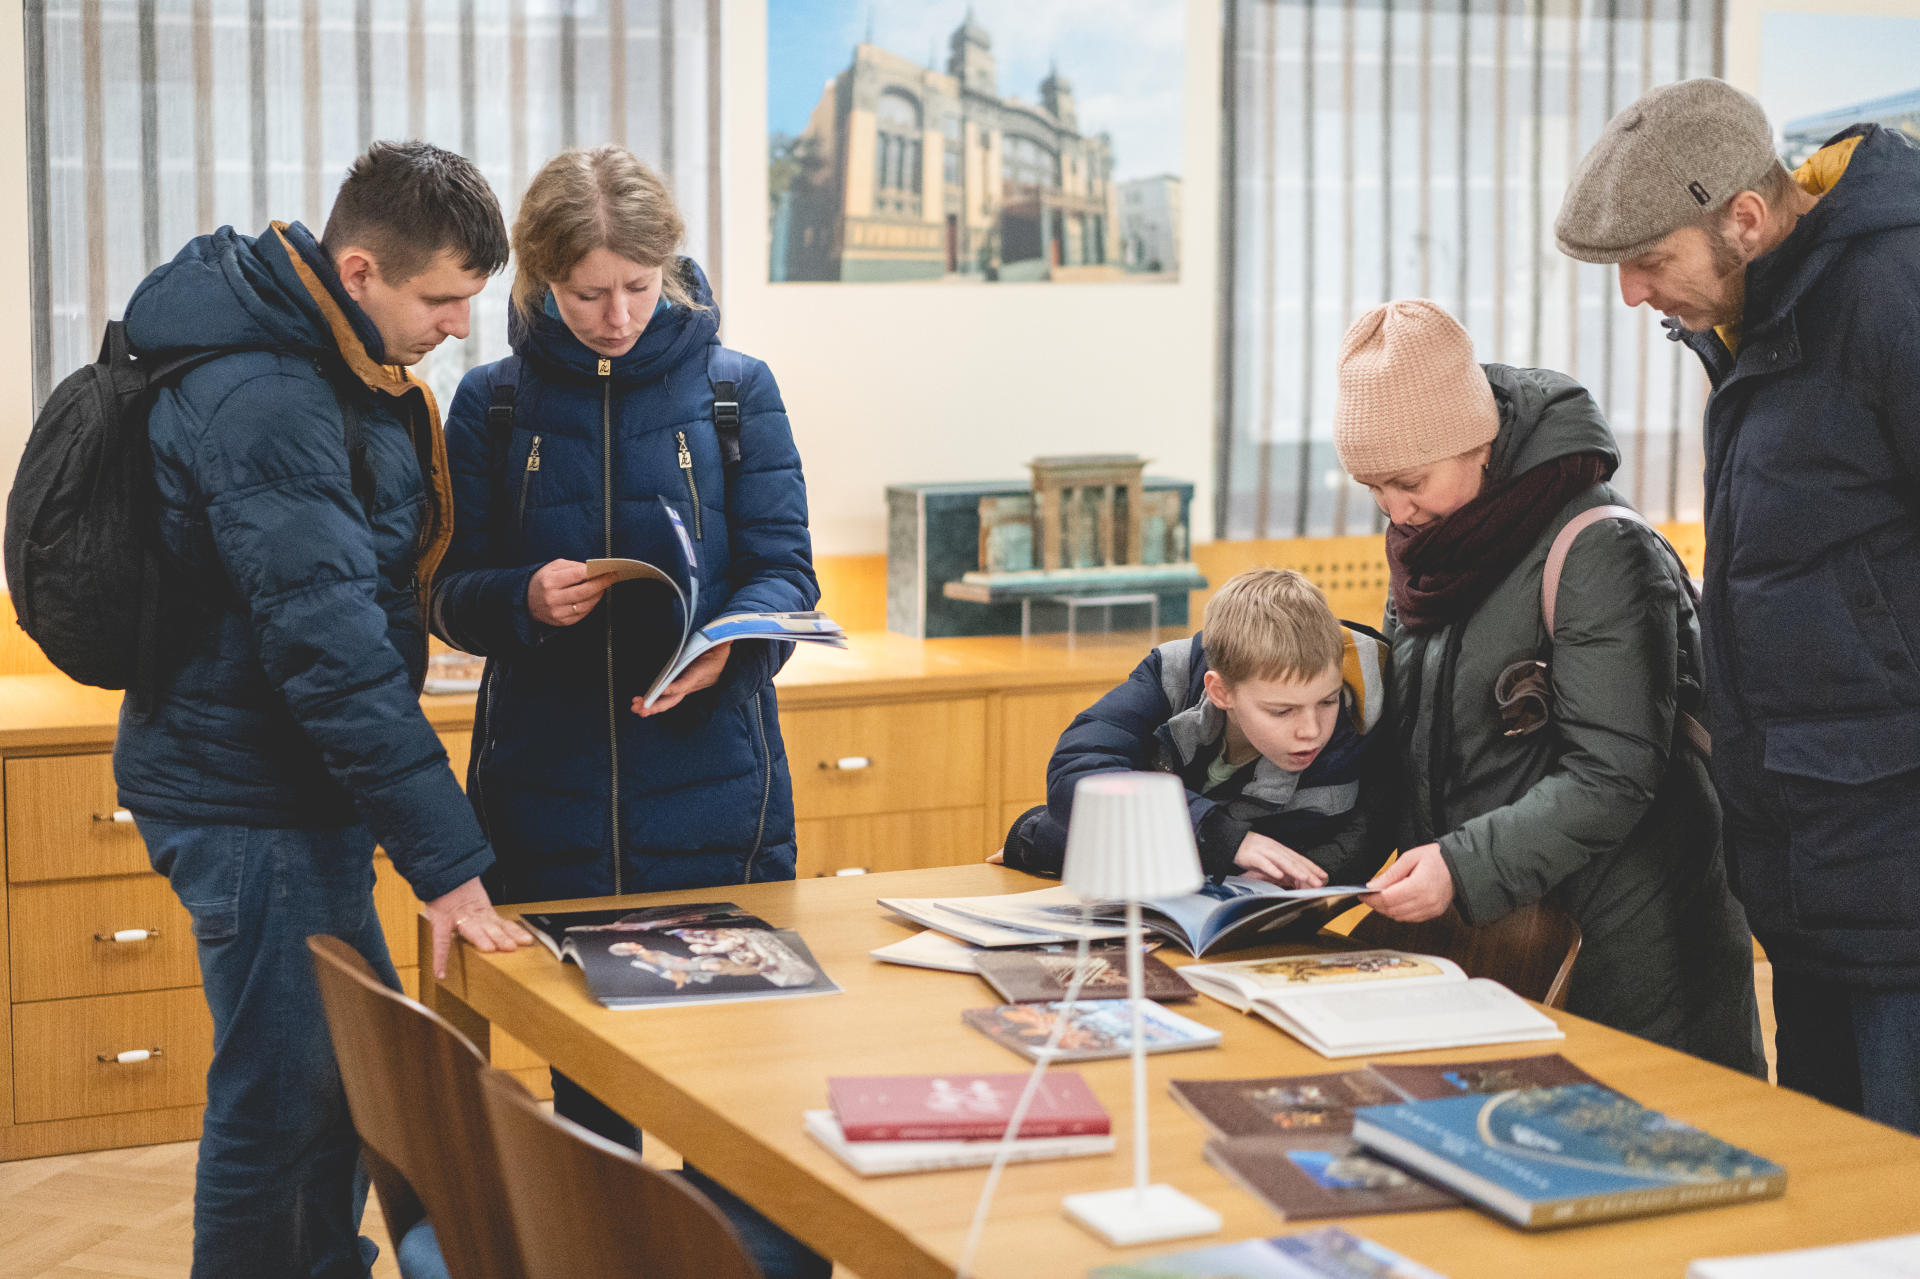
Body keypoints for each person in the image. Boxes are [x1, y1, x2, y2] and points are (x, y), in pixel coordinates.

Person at [114, 141, 533, 1279]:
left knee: (339, 1083)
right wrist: (449, 866)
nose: (458, 326)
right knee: (282, 1096)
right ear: (359, 272)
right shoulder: (270, 397)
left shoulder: (313, 360)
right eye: (441, 300)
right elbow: (333, 652)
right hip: (246, 796)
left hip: (283, 784)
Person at [428, 146, 827, 1278]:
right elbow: (447, 594)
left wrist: (732, 648)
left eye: (640, 289)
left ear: (672, 271)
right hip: (544, 802)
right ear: (540, 283)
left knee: (728, 1103)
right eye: (588, 292)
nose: (616, 316)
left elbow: (787, 574)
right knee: (582, 1105)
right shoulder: (492, 401)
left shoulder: (735, 389)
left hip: (717, 792)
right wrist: (521, 598)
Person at [1555, 78, 1920, 1132]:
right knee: (1830, 1219)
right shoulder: (1757, 321)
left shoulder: (1895, 294)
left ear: (1746, 220)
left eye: (1650, 261)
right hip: (1816, 889)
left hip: (1900, 893)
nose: (1632, 295)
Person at [1331, 298, 1764, 1076]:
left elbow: (1613, 773)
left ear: (1474, 440)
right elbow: (1417, 757)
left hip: (1631, 964)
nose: (1396, 510)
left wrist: (1461, 866)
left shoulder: (1598, 547)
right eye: (1374, 487)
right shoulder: (1432, 550)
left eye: (1408, 479)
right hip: (1500, 950)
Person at [999, 568, 1395, 888]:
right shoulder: (1170, 675)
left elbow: (1347, 849)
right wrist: (1221, 837)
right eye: (1281, 711)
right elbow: (1078, 773)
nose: (1311, 730)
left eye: (1327, 701)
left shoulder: (1365, 716)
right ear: (1220, 691)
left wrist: (1049, 839)